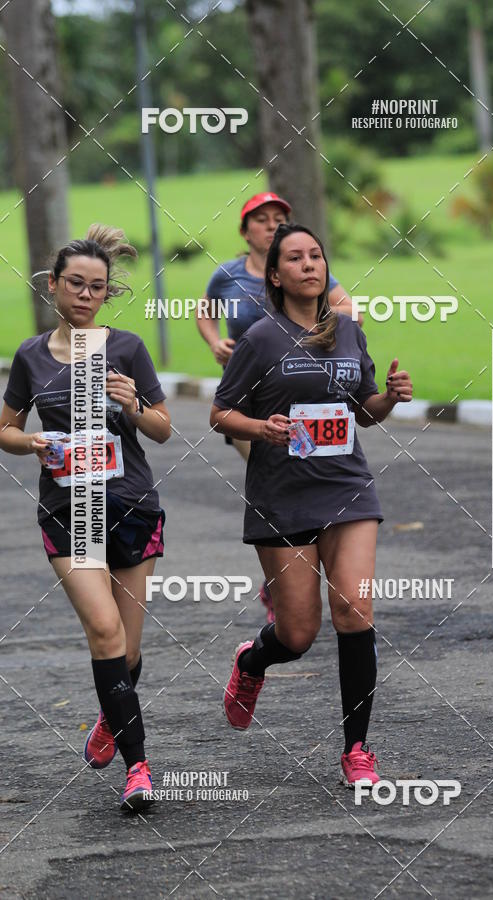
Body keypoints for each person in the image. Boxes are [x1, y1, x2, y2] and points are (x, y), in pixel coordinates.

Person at [210, 223, 413, 787]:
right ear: (275, 276)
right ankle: (252, 661)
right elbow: (220, 414)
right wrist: (263, 427)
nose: (309, 265)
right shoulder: (260, 339)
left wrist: (389, 399)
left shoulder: (348, 332)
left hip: (348, 487)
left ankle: (357, 751)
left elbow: (363, 409)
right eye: (295, 258)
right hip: (283, 496)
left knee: (354, 608)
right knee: (298, 635)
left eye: (317, 256)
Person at [0, 225, 171, 812]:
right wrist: (31, 443)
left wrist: (135, 404)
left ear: (106, 294)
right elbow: (4, 429)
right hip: (67, 511)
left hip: (130, 506)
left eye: (97, 287)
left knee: (124, 650)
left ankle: (110, 716)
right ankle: (139, 767)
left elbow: (163, 430)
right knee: (103, 631)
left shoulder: (126, 349)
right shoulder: (30, 355)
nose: (85, 294)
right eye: (75, 283)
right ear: (54, 285)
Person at [198, 192, 359, 623]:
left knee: (306, 467)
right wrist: (216, 343)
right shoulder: (227, 275)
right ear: (245, 230)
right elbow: (204, 312)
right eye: (261, 220)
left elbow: (347, 306)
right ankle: (285, 576)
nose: (271, 225)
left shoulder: (302, 266)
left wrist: (333, 329)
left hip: (303, 395)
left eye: (279, 218)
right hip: (250, 401)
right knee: (279, 469)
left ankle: (304, 574)